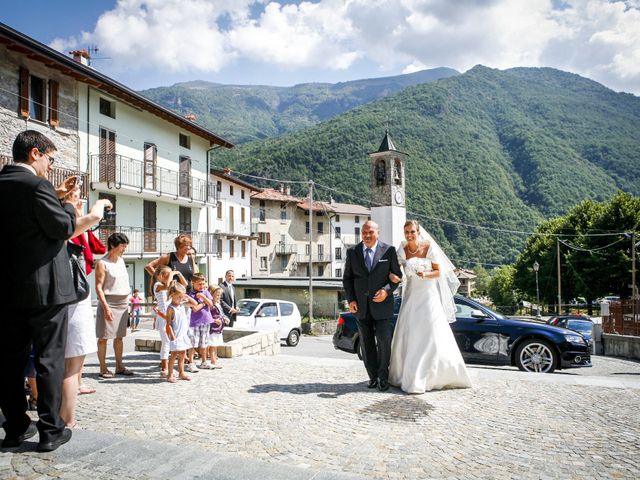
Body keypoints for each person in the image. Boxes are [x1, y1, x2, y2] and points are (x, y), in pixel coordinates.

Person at [0, 130, 100, 451]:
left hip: (6, 289)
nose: (49, 164)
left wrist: (54, 196)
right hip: (45, 290)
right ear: (34, 153)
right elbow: (62, 228)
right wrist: (70, 205)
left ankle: (16, 427)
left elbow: (26, 223)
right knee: (49, 359)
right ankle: (50, 430)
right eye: (50, 158)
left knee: (9, 360)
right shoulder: (36, 186)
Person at [388, 220, 472, 393]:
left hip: (428, 296)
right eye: (406, 232)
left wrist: (425, 274)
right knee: (410, 332)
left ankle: (431, 375)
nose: (409, 235)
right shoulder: (401, 250)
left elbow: (438, 272)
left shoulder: (429, 247)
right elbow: (397, 271)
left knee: (430, 333)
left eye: (412, 231)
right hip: (411, 295)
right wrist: (396, 277)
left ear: (418, 232)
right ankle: (407, 374)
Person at [60, 191, 111, 427]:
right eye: (78, 201)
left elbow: (97, 247)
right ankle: (66, 422)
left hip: (55, 297)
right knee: (71, 367)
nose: (81, 204)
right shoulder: (69, 230)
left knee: (57, 364)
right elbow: (94, 222)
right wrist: (100, 204)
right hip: (73, 297)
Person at [342, 220, 402, 392]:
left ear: (378, 233)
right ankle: (373, 377)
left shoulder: (389, 251)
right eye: (364, 233)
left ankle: (383, 378)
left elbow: (397, 277)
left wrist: (386, 291)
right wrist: (351, 300)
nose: (367, 236)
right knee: (366, 345)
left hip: (383, 307)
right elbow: (347, 279)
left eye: (370, 232)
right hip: (360, 307)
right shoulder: (352, 252)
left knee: (384, 343)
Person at [95, 233, 134, 378]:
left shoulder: (121, 261)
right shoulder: (102, 263)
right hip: (109, 301)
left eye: (125, 246)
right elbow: (98, 287)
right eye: (122, 246)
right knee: (103, 337)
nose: (124, 248)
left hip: (123, 302)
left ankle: (119, 366)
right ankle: (103, 368)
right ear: (113, 245)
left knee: (119, 336)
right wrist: (105, 307)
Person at [153, 265, 186, 377]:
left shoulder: (167, 286)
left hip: (170, 315)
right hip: (163, 317)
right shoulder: (157, 285)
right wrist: (172, 273)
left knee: (171, 342)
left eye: (169, 275)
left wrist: (179, 274)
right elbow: (167, 284)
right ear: (159, 276)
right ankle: (164, 367)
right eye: (166, 275)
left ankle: (172, 368)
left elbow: (183, 286)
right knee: (166, 342)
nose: (169, 277)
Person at [162, 282, 198, 383]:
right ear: (172, 295)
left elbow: (195, 304)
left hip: (183, 335)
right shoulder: (170, 308)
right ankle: (170, 374)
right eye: (178, 297)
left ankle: (181, 373)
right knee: (173, 355)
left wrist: (186, 297)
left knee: (183, 353)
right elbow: (168, 324)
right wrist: (172, 337)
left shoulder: (182, 305)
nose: (180, 299)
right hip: (176, 335)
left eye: (181, 297)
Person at [186, 273, 214, 371]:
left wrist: (203, 297)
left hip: (206, 320)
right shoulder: (190, 294)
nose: (201, 286)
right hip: (195, 322)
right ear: (193, 283)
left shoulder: (205, 292)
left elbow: (211, 304)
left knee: (204, 343)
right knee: (193, 342)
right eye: (199, 284)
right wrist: (203, 303)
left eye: (203, 284)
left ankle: (204, 362)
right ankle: (191, 362)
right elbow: (195, 309)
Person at [208, 286, 229, 369]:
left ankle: (214, 360)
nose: (219, 297)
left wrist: (225, 318)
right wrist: (214, 320)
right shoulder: (210, 304)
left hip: (219, 328)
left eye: (219, 295)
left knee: (215, 345)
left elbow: (221, 314)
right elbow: (207, 316)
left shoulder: (218, 304)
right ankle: (213, 361)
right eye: (217, 295)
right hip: (213, 328)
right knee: (212, 345)